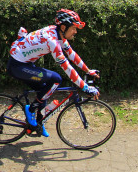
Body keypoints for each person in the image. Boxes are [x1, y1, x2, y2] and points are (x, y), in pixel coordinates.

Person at [7, 9, 100, 137]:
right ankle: (31, 109)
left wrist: (88, 71)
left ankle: (36, 124)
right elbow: (67, 67)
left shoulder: (57, 33)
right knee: (56, 79)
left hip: (26, 63)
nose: (75, 31)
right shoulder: (52, 40)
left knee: (44, 94)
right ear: (63, 27)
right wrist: (85, 87)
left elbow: (72, 54)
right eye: (73, 28)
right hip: (18, 66)